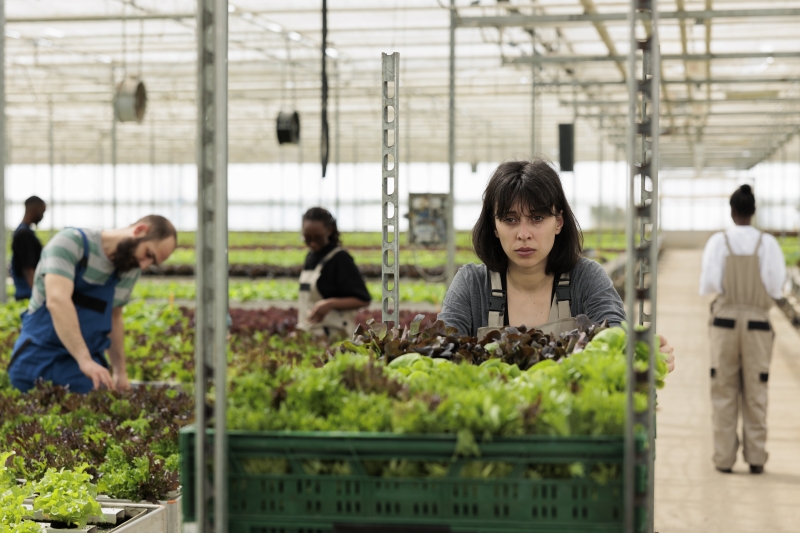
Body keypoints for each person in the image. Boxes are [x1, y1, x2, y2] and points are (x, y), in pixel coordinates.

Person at [438, 159, 675, 367]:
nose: (523, 234)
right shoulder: (472, 285)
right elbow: (441, 353)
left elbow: (615, 337)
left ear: (558, 223)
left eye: (537, 218)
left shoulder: (586, 279)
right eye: (510, 219)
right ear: (495, 227)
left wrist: (642, 353)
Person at [7, 215, 178, 393]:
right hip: (36, 357)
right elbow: (57, 301)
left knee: (95, 402)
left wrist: (120, 372)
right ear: (140, 230)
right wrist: (85, 360)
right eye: (148, 254)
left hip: (79, 370)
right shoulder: (71, 243)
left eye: (152, 263)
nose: (143, 265)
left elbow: (114, 317)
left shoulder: (129, 268)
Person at [700, 184, 786, 475]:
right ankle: (756, 457)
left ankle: (724, 459)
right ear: (753, 211)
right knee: (756, 390)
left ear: (732, 211)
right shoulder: (768, 244)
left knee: (724, 389)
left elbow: (709, 284)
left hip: (724, 324)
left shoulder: (719, 242)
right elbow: (776, 287)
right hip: (758, 326)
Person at [297, 207, 371, 338]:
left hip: (335, 335)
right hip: (310, 333)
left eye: (318, 238)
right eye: (307, 238)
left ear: (329, 230)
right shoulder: (310, 257)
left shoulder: (340, 259)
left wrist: (330, 304)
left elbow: (363, 300)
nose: (313, 243)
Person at [11, 196, 47, 301]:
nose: (42, 216)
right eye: (42, 212)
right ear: (35, 210)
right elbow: (28, 268)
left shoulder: (23, 231)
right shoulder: (24, 234)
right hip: (28, 295)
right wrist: (38, 296)